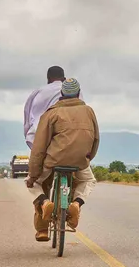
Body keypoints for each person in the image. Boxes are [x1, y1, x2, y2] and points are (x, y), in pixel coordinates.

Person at [25, 78, 99, 242]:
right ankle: (77, 204)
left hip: (54, 161)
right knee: (89, 180)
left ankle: (45, 204)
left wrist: (33, 174)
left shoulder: (51, 113)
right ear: (78, 93)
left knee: (35, 183)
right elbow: (95, 140)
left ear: (62, 94)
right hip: (80, 160)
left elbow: (39, 148)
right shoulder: (89, 111)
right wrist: (86, 158)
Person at [23, 66, 85, 150]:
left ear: (48, 79)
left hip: (39, 140)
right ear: (64, 79)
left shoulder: (37, 92)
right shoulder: (76, 92)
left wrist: (30, 136)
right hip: (71, 142)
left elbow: (27, 120)